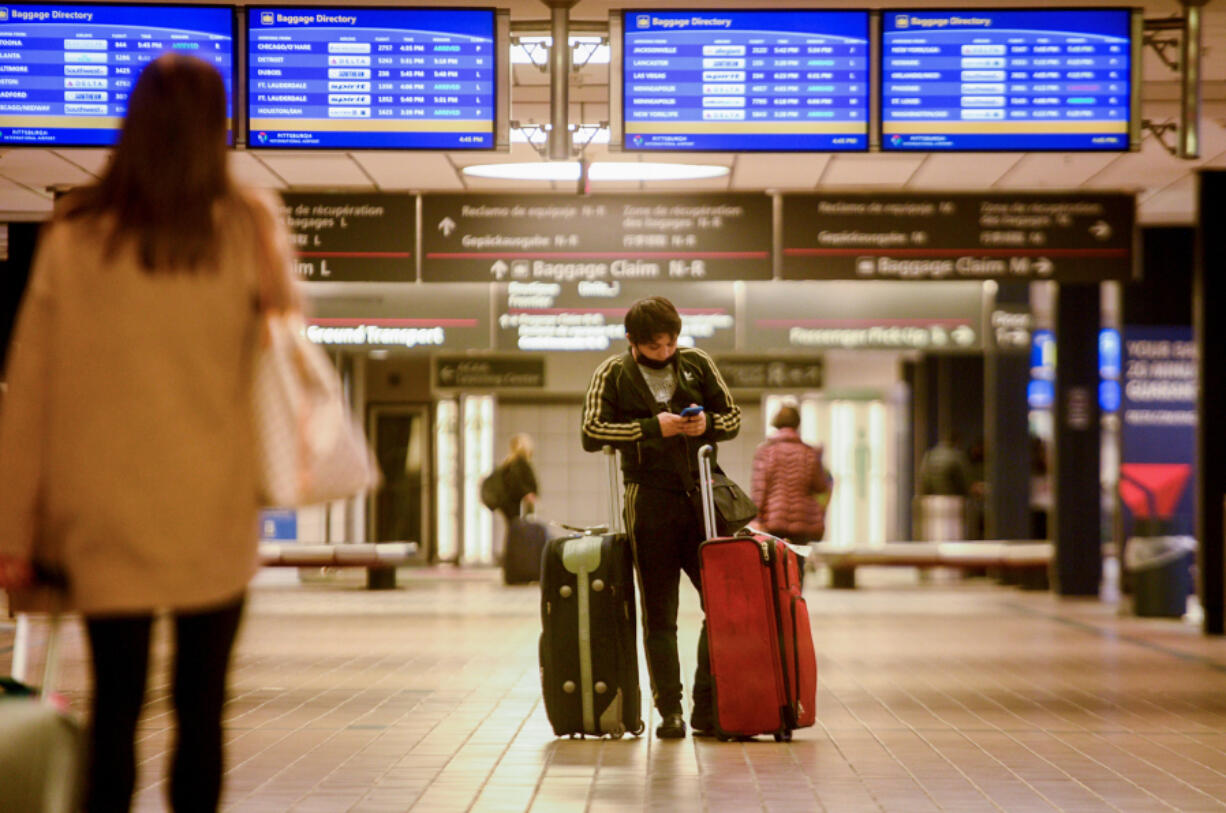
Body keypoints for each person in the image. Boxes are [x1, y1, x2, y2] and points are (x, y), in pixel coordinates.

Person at [0, 54, 298, 813]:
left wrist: (14, 530)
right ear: (219, 129)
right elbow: (286, 329)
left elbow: (31, 391)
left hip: (104, 507)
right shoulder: (243, 224)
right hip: (213, 503)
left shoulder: (77, 234)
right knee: (202, 705)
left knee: (117, 702)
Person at [580, 296, 741, 739]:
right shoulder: (612, 373)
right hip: (647, 499)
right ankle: (669, 707)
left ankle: (709, 705)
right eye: (655, 346)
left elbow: (733, 418)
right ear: (631, 341)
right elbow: (591, 432)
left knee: (722, 605)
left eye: (671, 342)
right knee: (659, 612)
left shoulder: (697, 363)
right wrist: (655, 427)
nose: (665, 352)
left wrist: (704, 424)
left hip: (702, 496)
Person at [750, 405, 832, 587]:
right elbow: (820, 486)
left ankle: (779, 611)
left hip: (773, 520)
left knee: (774, 567)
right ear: (797, 424)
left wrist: (756, 517)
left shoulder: (765, 451)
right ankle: (796, 609)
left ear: (776, 423)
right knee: (797, 568)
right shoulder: (809, 452)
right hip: (802, 521)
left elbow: (759, 489)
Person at [493, 433, 539, 523]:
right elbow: (516, 482)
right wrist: (527, 493)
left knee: (515, 526)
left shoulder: (510, 462)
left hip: (512, 503)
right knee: (521, 526)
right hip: (518, 503)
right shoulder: (519, 462)